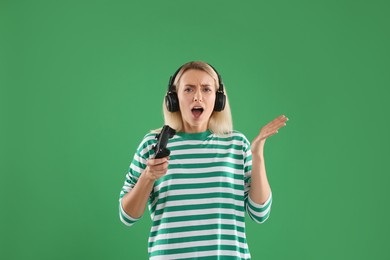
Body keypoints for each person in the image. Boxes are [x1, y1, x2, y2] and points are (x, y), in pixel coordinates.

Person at [119, 61, 288, 259]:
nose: (197, 96)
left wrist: (257, 153)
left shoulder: (237, 144)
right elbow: (127, 216)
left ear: (218, 100)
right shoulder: (153, 145)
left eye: (206, 89)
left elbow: (260, 213)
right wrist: (148, 177)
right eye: (188, 89)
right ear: (173, 99)